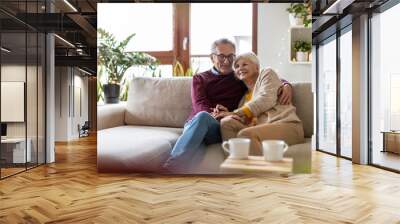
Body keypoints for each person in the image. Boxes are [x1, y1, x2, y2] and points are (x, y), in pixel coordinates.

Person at [162, 39, 292, 171]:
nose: (226, 61)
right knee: (202, 117)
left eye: (231, 56)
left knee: (201, 134)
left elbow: (264, 79)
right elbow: (199, 104)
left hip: (222, 127)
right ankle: (175, 171)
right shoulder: (200, 78)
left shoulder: (239, 77)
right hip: (198, 123)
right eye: (221, 56)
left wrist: (286, 85)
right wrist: (217, 115)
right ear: (212, 58)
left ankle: (170, 171)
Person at [217, 52, 305, 155]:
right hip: (262, 129)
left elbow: (266, 99)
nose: (240, 68)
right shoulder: (243, 99)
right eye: (237, 66)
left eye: (244, 64)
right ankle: (235, 165)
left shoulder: (267, 73)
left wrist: (236, 113)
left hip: (287, 125)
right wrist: (227, 114)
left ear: (257, 67)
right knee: (226, 123)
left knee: (246, 134)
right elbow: (246, 118)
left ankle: (258, 170)